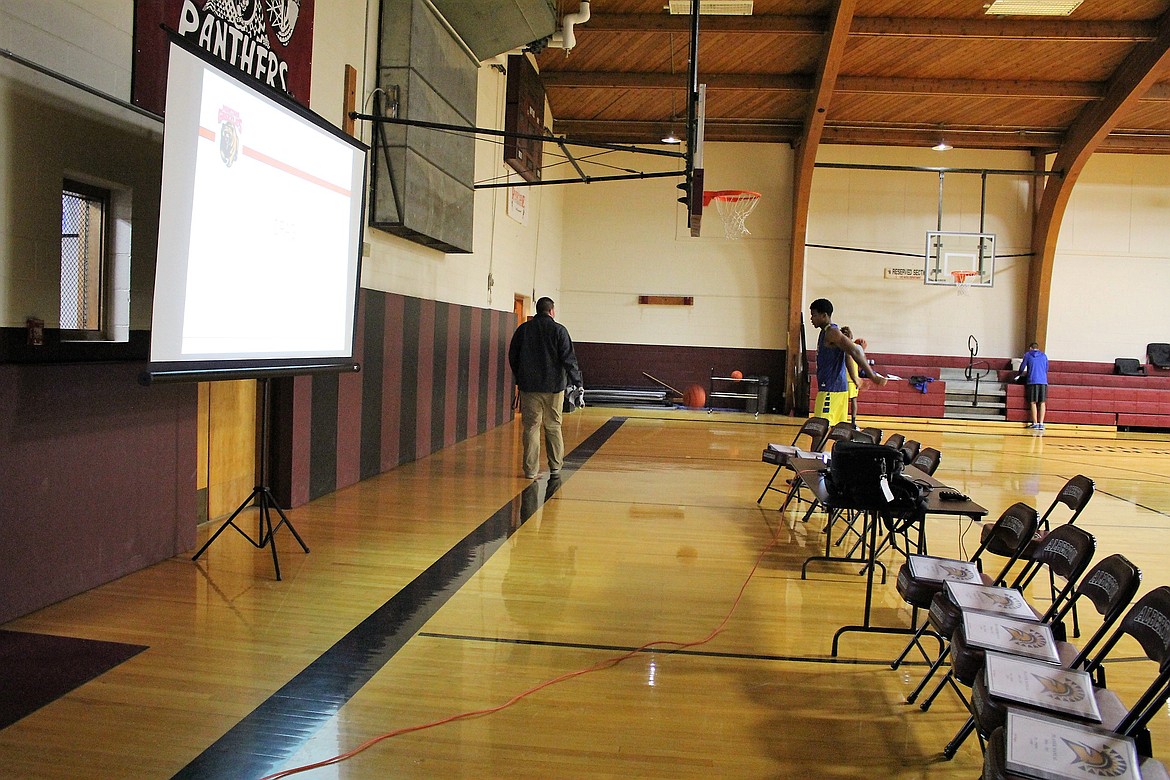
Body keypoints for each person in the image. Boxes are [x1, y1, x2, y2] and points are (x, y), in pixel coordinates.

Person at [508, 297, 583, 480]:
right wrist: (578, 383)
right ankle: (556, 466)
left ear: (537, 310)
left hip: (529, 388)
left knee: (531, 428)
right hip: (554, 388)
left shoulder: (523, 330)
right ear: (552, 311)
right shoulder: (559, 331)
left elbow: (513, 356)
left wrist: (520, 378)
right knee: (553, 426)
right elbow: (569, 359)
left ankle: (530, 470)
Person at [809, 299, 887, 427]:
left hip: (831, 389)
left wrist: (872, 376)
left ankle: (816, 449)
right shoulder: (827, 332)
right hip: (836, 388)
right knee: (835, 430)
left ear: (824, 315)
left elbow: (855, 351)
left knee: (819, 428)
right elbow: (847, 354)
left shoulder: (832, 332)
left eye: (814, 315)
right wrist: (855, 377)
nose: (812, 319)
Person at [1018, 341, 1049, 431]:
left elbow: (1022, 367)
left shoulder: (1028, 355)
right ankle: (1041, 423)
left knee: (1033, 402)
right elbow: (1046, 368)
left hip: (1032, 380)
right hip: (1043, 381)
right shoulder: (1044, 356)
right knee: (1042, 402)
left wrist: (1018, 374)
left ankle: (1035, 422)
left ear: (1030, 348)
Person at [840, 326, 863, 427]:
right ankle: (853, 421)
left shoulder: (839, 347)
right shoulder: (855, 347)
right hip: (851, 377)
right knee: (853, 400)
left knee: (844, 400)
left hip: (844, 377)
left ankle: (843, 419)